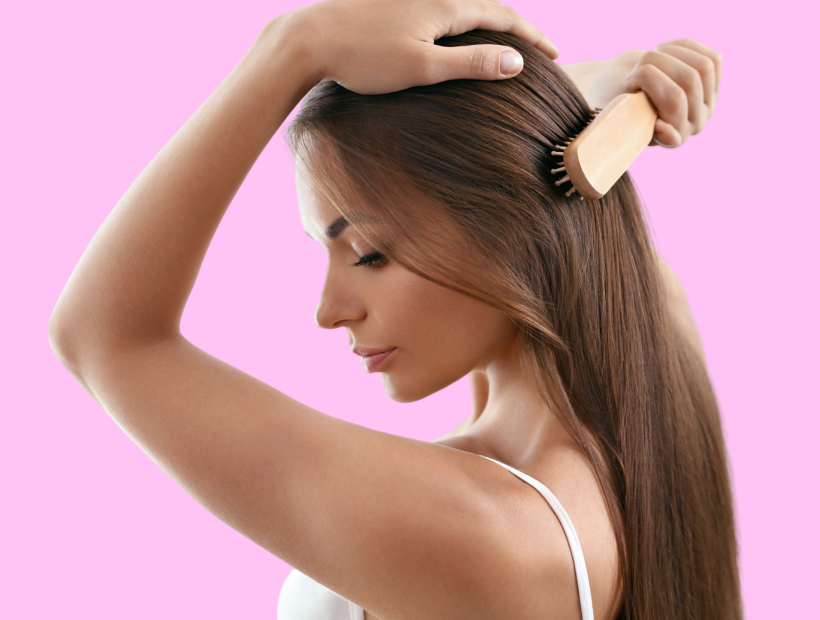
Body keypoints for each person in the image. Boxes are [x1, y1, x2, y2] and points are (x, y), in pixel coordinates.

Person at [49, 1, 739, 619]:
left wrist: (291, 44)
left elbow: (105, 337)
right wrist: (561, 108)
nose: (330, 310)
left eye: (370, 253)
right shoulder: (642, 375)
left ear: (506, 232)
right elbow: (555, 213)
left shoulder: (487, 535)